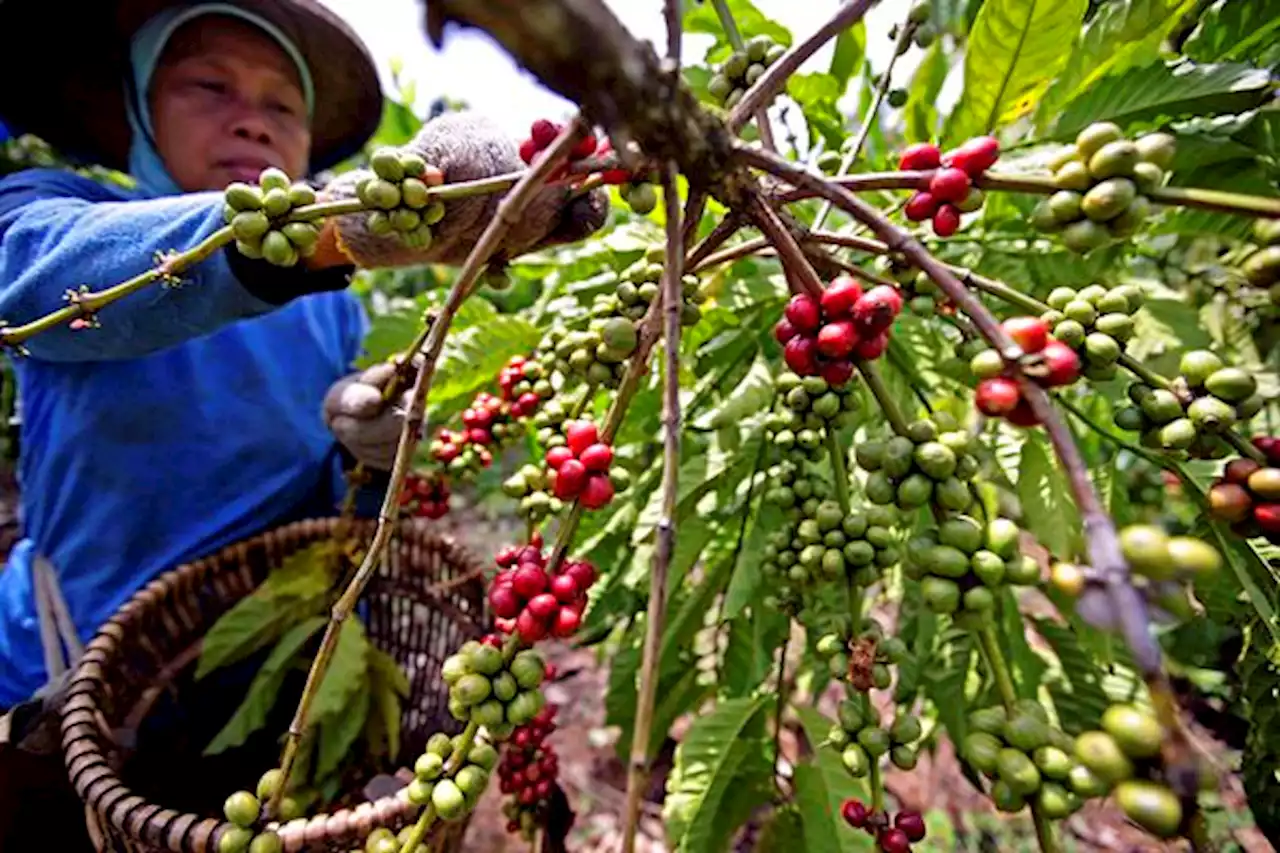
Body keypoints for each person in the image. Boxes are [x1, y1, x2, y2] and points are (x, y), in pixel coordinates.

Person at [0, 0, 606, 846]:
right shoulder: (52, 209)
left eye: (281, 104)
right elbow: (31, 277)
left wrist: (362, 455)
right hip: (80, 673)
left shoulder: (331, 309)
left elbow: (324, 492)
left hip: (273, 656)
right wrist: (310, 235)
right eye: (208, 85)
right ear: (139, 109)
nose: (250, 117)